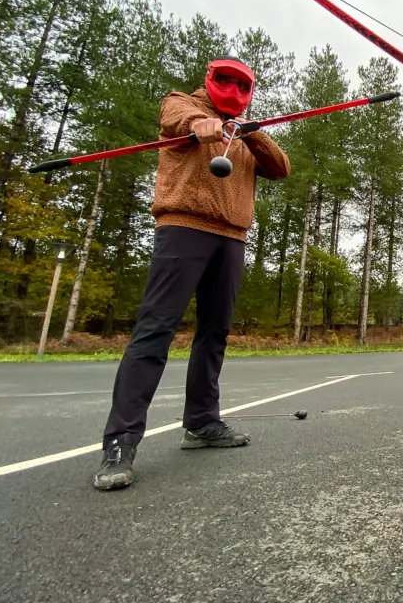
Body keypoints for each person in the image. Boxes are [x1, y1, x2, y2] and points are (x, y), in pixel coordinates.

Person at [93, 56, 291, 491]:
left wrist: (251, 132)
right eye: (226, 81)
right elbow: (176, 117)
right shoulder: (182, 103)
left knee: (214, 333)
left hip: (232, 237)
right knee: (155, 331)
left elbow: (280, 167)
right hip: (183, 228)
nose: (234, 91)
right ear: (209, 78)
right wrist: (201, 124)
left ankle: (201, 422)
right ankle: (120, 443)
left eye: (243, 86)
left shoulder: (245, 131)